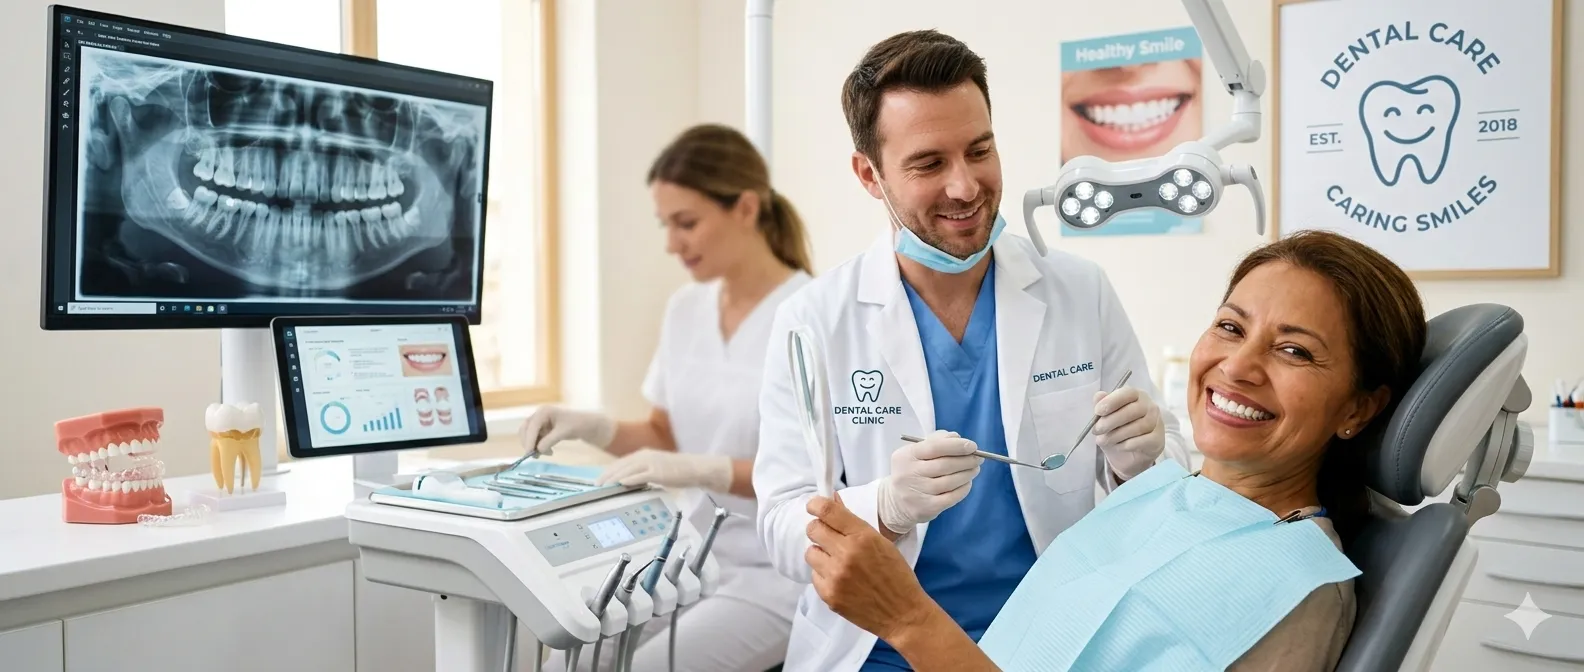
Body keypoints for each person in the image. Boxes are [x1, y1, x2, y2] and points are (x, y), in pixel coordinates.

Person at [752, 30, 1191, 672]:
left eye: (979, 150)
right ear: (869, 175)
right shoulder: (814, 321)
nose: (965, 187)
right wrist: (886, 506)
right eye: (929, 164)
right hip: (878, 650)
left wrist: (1144, 459)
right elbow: (782, 529)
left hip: (1047, 639)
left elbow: (1167, 470)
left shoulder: (1078, 290)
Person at [801, 230, 1428, 671]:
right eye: (1231, 327)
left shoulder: (1302, 592)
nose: (1237, 366)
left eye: (1294, 350)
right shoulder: (1163, 494)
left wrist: (909, 619)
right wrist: (882, 509)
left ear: (1358, 408)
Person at [524, 123, 811, 672]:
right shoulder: (686, 309)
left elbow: (816, 476)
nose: (671, 243)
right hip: (687, 553)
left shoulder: (808, 315)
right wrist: (593, 427)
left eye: (687, 223)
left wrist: (698, 469)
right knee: (575, 652)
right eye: (666, 224)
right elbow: (663, 436)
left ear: (746, 208)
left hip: (773, 571)